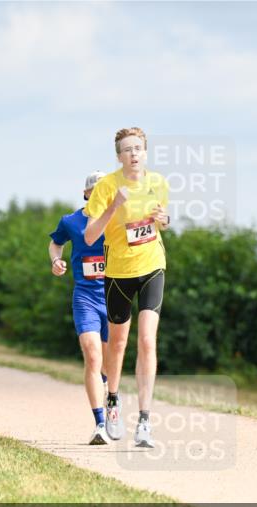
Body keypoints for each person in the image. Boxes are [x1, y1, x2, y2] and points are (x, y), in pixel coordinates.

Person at [83, 127, 170, 448]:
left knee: (147, 340)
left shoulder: (158, 183)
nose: (134, 154)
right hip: (118, 271)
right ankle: (114, 401)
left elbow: (161, 221)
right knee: (117, 344)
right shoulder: (107, 186)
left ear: (145, 152)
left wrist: (165, 219)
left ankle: (145, 420)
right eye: (127, 149)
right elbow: (91, 237)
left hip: (152, 265)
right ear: (118, 156)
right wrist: (113, 206)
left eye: (138, 148)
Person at [49, 171, 110, 445]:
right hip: (85, 297)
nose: (99, 194)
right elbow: (56, 243)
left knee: (108, 367)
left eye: (104, 190)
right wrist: (56, 261)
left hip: (114, 296)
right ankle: (100, 424)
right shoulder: (71, 221)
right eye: (94, 190)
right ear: (86, 194)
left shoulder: (118, 220)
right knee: (92, 356)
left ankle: (111, 399)